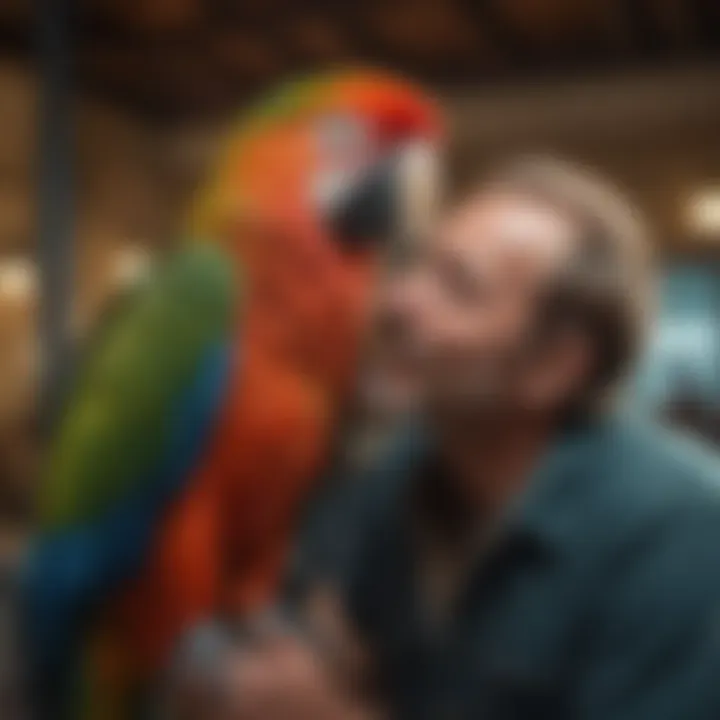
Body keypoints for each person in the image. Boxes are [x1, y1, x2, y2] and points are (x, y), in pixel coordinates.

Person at [175, 156, 720, 720]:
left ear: (553, 367)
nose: (395, 302)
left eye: (458, 288)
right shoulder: (390, 478)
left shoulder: (678, 535)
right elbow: (292, 631)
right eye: (415, 267)